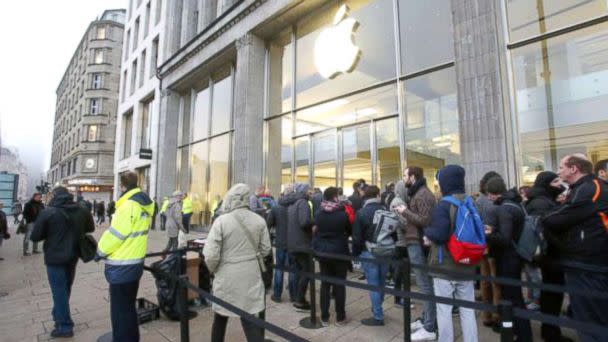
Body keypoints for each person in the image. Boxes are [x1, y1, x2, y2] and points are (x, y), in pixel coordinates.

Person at [543, 155, 608, 342]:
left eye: (561, 167)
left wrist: (546, 216)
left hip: (588, 265)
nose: (558, 171)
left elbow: (555, 219)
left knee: (591, 323)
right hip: (587, 263)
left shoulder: (589, 188)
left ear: (574, 169)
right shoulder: (584, 188)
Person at [203, 184, 271, 342]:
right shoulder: (259, 220)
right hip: (251, 275)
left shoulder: (221, 221)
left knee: (220, 318)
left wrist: (213, 270)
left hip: (227, 276)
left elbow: (211, 255)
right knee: (249, 319)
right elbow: (266, 249)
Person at [96, 172, 154, 342]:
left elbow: (115, 235)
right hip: (135, 262)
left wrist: (99, 251)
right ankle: (131, 338)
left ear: (122, 186)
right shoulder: (143, 204)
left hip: (121, 265)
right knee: (128, 306)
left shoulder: (128, 206)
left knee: (120, 310)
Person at [423, 165, 478, 342]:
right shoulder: (470, 202)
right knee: (468, 310)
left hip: (445, 264)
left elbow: (439, 235)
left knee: (444, 309)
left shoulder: (444, 205)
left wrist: (427, 233)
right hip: (467, 263)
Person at [30, 187, 94, 338]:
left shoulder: (49, 212)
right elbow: (90, 228)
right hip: (73, 255)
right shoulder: (82, 209)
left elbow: (35, 236)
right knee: (65, 287)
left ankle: (65, 326)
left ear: (55, 196)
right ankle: (58, 313)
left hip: (54, 257)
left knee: (59, 290)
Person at [526, 171, 572, 342]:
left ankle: (550, 330)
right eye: (555, 181)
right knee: (552, 294)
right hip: (549, 256)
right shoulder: (541, 203)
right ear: (546, 184)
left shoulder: (543, 200)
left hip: (549, 256)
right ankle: (551, 333)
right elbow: (545, 232)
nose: (560, 184)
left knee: (551, 293)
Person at [485, 177, 533, 342]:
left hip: (508, 258)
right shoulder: (515, 203)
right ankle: (515, 329)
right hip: (515, 255)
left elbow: (505, 239)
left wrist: (490, 232)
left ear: (492, 194)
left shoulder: (505, 209)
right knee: (514, 296)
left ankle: (523, 335)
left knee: (513, 298)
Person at [394, 167, 437, 341]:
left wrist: (405, 211)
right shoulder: (418, 192)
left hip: (418, 243)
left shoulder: (423, 194)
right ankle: (427, 319)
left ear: (413, 176)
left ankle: (429, 327)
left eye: (405, 175)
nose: (403, 178)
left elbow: (425, 220)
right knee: (424, 285)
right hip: (416, 242)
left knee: (425, 286)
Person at [313, 187, 352, 326]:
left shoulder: (319, 213)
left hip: (324, 253)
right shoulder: (342, 214)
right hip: (340, 252)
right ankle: (340, 317)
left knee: (325, 285)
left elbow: (316, 231)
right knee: (340, 285)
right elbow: (349, 230)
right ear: (335, 197)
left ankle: (324, 317)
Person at [352, 185, 389, 326]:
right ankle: (377, 307)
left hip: (369, 252)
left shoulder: (361, 213)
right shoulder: (385, 210)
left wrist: (355, 254)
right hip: (386, 250)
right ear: (378, 195)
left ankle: (378, 315)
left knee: (373, 284)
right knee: (382, 282)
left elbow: (357, 237)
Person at [476, 171, 502, 329]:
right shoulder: (497, 200)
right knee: (496, 282)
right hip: (494, 244)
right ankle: (497, 316)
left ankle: (487, 316)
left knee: (485, 281)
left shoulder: (479, 200)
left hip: (482, 244)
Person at [283, 183, 314, 312]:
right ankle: (300, 300)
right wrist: (314, 222)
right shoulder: (303, 203)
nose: (311, 193)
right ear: (304, 191)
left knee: (299, 271)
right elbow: (304, 222)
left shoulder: (292, 203)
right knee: (307, 271)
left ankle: (297, 297)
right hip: (302, 243)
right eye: (309, 191)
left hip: (293, 243)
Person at [267, 184, 296, 303]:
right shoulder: (296, 206)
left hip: (280, 242)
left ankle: (277, 295)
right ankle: (293, 296)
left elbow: (269, 223)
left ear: (283, 193)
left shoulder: (276, 207)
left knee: (279, 269)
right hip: (293, 242)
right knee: (293, 270)